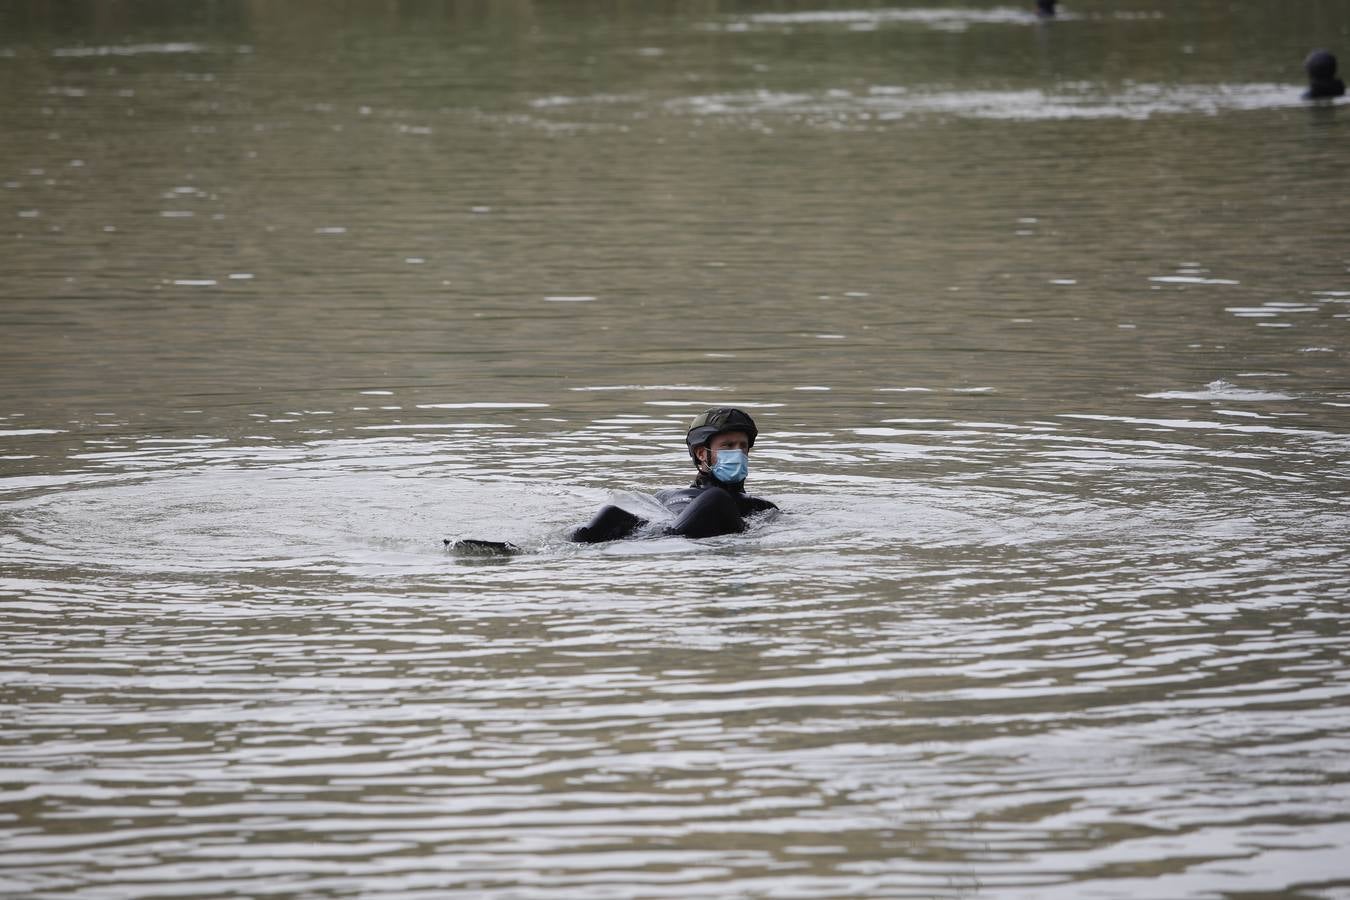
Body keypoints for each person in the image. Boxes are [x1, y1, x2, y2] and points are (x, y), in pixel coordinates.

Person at [569, 407, 778, 543]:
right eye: (728, 446)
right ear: (701, 453)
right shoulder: (666, 495)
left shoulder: (760, 507)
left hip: (680, 544)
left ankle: (666, 542)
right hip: (652, 536)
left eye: (743, 446)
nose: (738, 452)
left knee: (717, 498)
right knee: (611, 513)